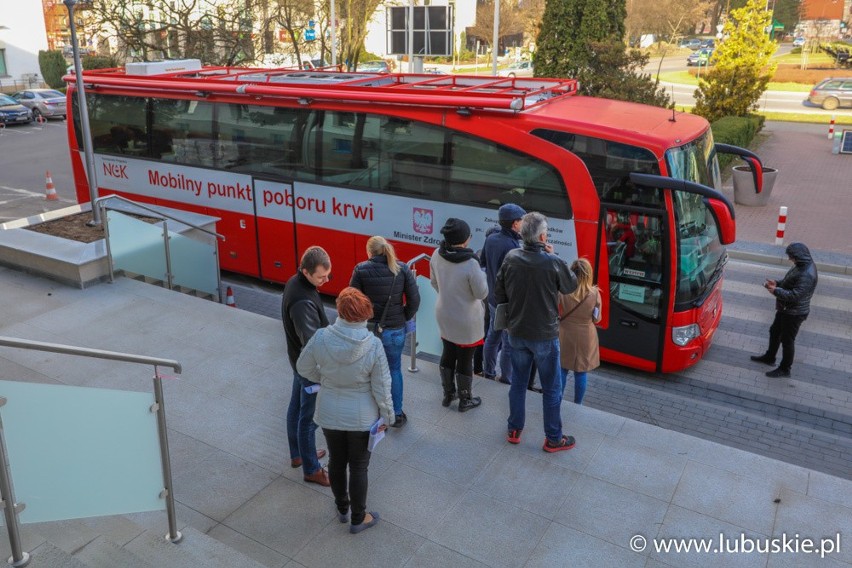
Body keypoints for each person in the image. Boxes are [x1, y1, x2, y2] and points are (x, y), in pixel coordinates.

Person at [296, 287, 393, 534]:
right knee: (359, 467)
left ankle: (342, 509)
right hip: (362, 419)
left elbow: (303, 367)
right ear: (364, 315)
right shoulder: (373, 345)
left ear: (340, 311)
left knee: (336, 463)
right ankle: (359, 518)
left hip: (329, 413)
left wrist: (325, 379)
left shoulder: (320, 337)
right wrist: (387, 416)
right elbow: (382, 386)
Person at [495, 212, 578, 452]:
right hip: (544, 334)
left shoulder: (511, 257)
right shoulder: (552, 262)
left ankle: (514, 429)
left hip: (517, 331)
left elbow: (498, 293)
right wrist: (554, 255)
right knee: (551, 388)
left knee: (518, 382)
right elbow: (571, 285)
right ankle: (553, 438)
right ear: (542, 236)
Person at [350, 236, 420, 428]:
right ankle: (396, 414)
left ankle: (371, 413)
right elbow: (415, 301)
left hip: (369, 330)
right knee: (394, 369)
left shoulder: (361, 270)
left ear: (369, 251)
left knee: (368, 372)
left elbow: (351, 301)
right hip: (395, 329)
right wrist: (402, 316)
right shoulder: (402, 269)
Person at [281, 246, 332, 486]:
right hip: (309, 368)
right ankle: (311, 469)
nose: (326, 280)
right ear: (306, 271)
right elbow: (312, 344)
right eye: (321, 276)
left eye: (327, 275)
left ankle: (299, 454)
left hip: (298, 361)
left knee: (295, 408)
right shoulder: (302, 300)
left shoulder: (297, 282)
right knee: (308, 418)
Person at [430, 218, 489, 412]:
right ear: (464, 240)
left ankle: (448, 395)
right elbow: (481, 293)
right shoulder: (471, 263)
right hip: (466, 318)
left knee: (448, 351)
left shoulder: (437, 254)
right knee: (465, 357)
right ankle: (465, 399)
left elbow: (434, 283)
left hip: (444, 312)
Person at [750, 243, 818, 378]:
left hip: (794, 313)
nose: (789, 259)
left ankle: (785, 369)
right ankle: (770, 357)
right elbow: (790, 281)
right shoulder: (801, 265)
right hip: (786, 309)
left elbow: (795, 295)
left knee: (787, 341)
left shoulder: (806, 274)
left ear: (798, 256)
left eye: (791, 256)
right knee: (774, 331)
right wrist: (777, 283)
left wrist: (775, 291)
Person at [481, 203, 526, 385]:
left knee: (493, 336)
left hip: (492, 299)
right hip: (507, 303)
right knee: (508, 342)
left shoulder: (491, 239)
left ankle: (488, 372)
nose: (523, 224)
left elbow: (483, 262)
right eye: (521, 220)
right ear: (515, 223)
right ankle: (506, 377)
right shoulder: (512, 247)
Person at [558, 258, 602, 404]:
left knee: (562, 369)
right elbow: (597, 319)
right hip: (585, 335)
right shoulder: (595, 293)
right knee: (581, 371)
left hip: (565, 332)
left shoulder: (563, 290)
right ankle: (578, 403)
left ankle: (558, 399)